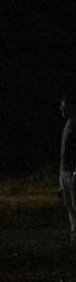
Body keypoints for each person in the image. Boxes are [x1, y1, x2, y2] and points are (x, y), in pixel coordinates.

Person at [60, 96, 76, 244]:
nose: (61, 109)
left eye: (64, 106)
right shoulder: (67, 125)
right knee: (69, 205)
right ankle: (73, 234)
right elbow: (63, 152)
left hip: (72, 173)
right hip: (65, 172)